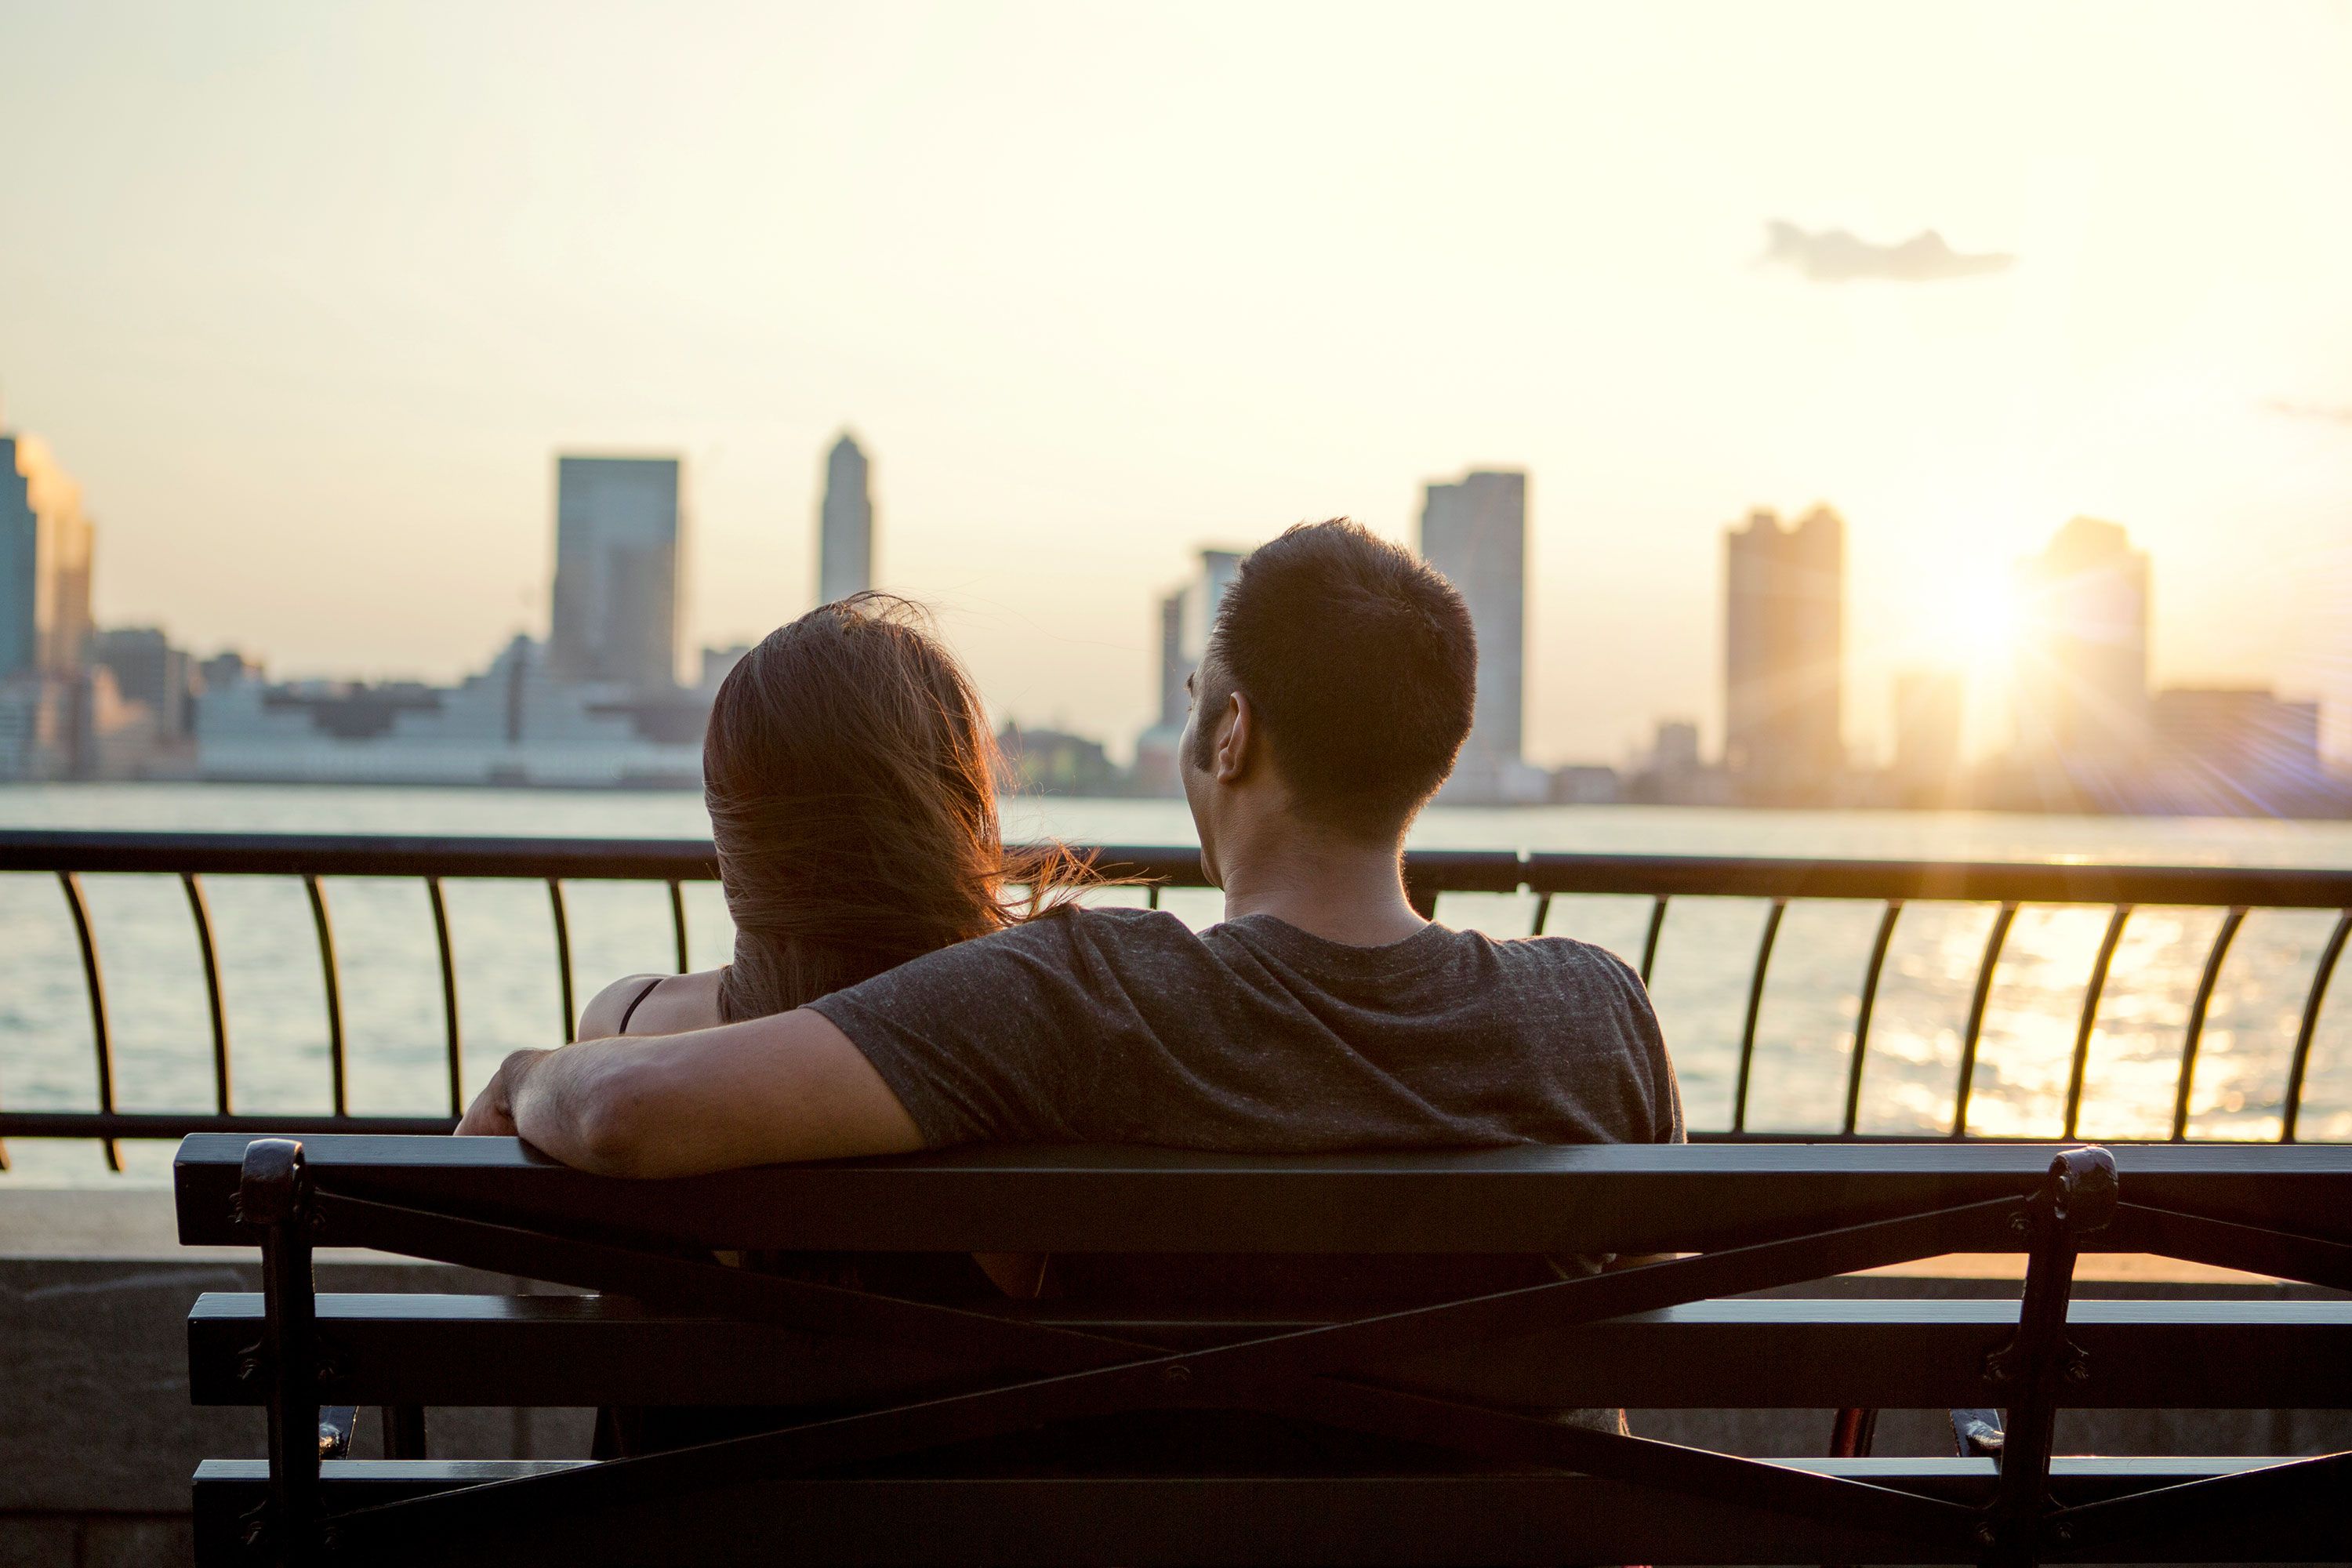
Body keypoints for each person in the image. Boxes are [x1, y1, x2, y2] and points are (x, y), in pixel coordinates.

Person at [458, 519, 1682, 1176]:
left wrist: (528, 1071)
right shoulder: (1603, 1009)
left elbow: (623, 1115)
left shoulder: (1092, 996)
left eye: (1198, 691)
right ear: (1441, 753)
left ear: (1233, 733)